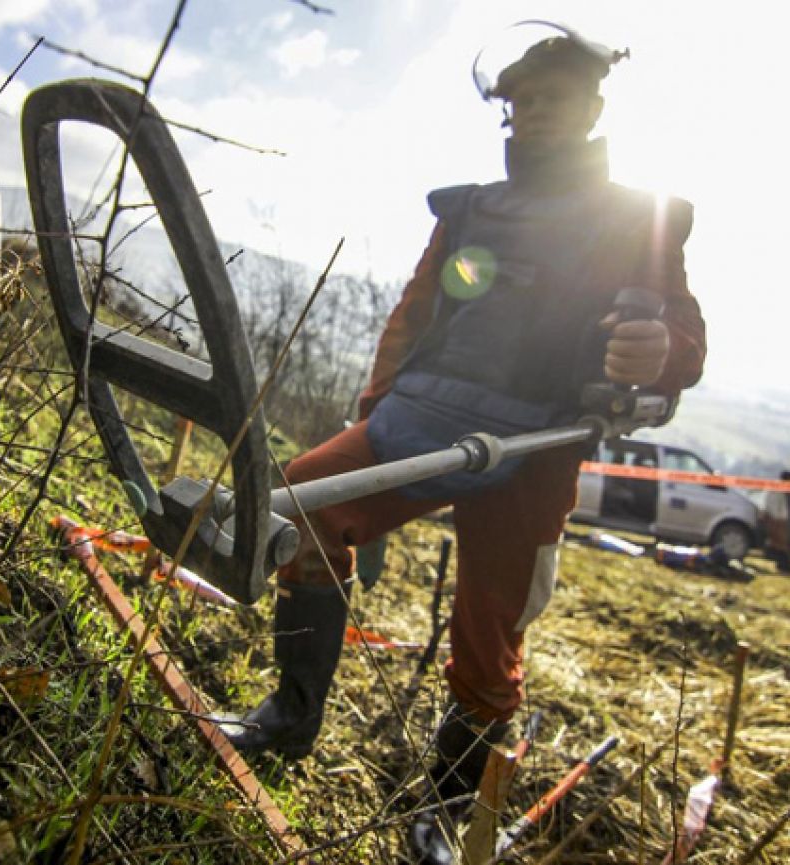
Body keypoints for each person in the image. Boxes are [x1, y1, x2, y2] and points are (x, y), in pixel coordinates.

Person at [215, 23, 706, 861]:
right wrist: (374, 415)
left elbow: (684, 343)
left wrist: (658, 357)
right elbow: (412, 316)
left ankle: (439, 812)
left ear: (591, 108)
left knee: (489, 633)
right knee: (300, 500)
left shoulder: (639, 219)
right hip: (420, 418)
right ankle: (290, 716)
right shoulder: (471, 207)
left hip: (535, 450)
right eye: (517, 101)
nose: (532, 112)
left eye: (550, 97)